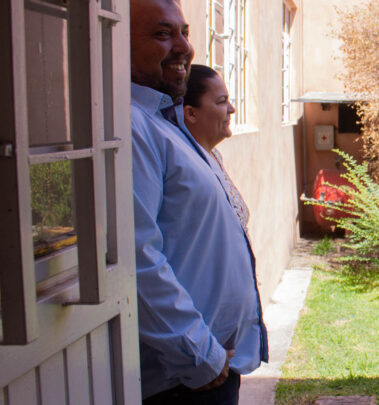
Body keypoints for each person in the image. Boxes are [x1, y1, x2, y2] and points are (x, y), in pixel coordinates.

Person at [129, 1, 268, 404]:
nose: (184, 47)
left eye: (185, 33)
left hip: (212, 366)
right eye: (162, 34)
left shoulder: (163, 123)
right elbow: (137, 258)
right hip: (187, 379)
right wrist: (199, 354)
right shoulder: (133, 125)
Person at [182, 65, 250, 235]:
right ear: (191, 113)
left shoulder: (214, 155)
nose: (232, 109)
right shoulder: (185, 166)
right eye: (222, 102)